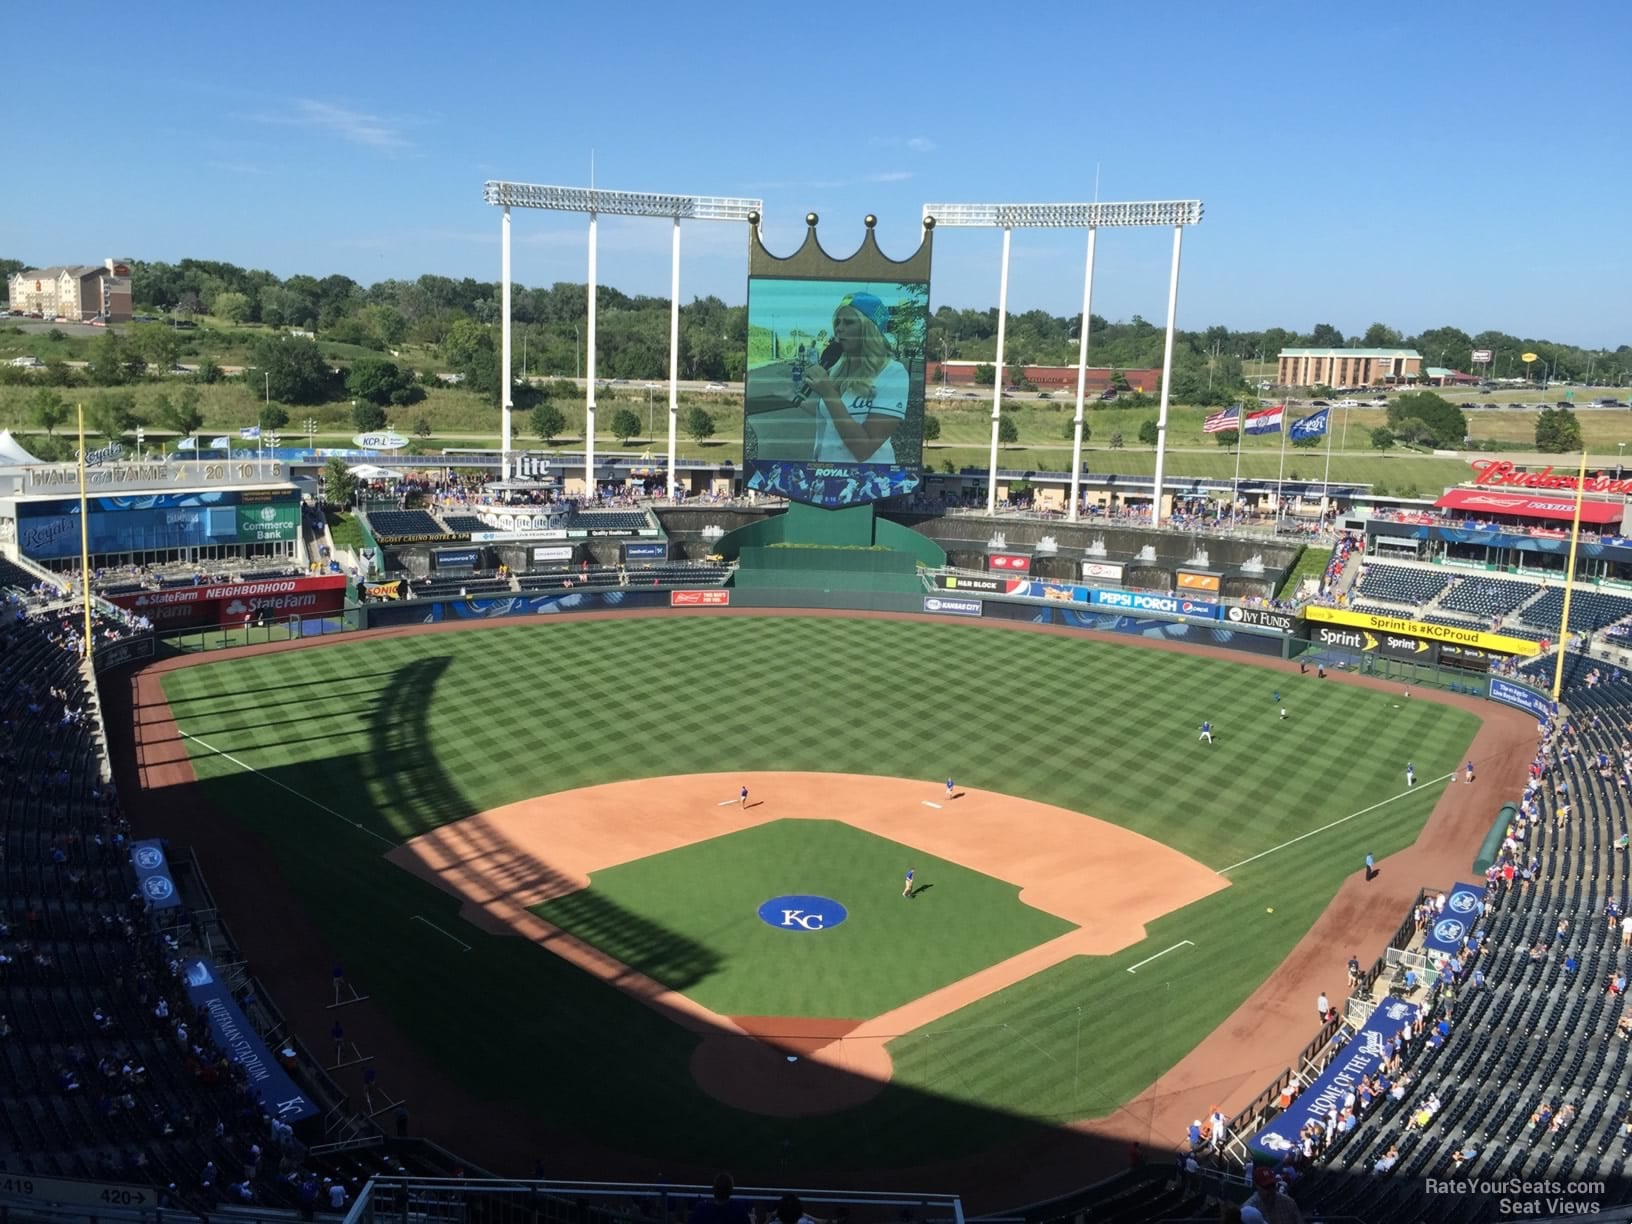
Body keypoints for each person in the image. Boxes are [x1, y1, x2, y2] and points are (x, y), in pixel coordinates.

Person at [795, 293, 909, 464]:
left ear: (869, 328)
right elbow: (832, 418)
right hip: (825, 473)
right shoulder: (836, 368)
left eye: (848, 322)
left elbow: (863, 449)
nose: (839, 328)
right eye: (837, 322)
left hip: (869, 479)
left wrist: (828, 392)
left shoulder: (893, 373)